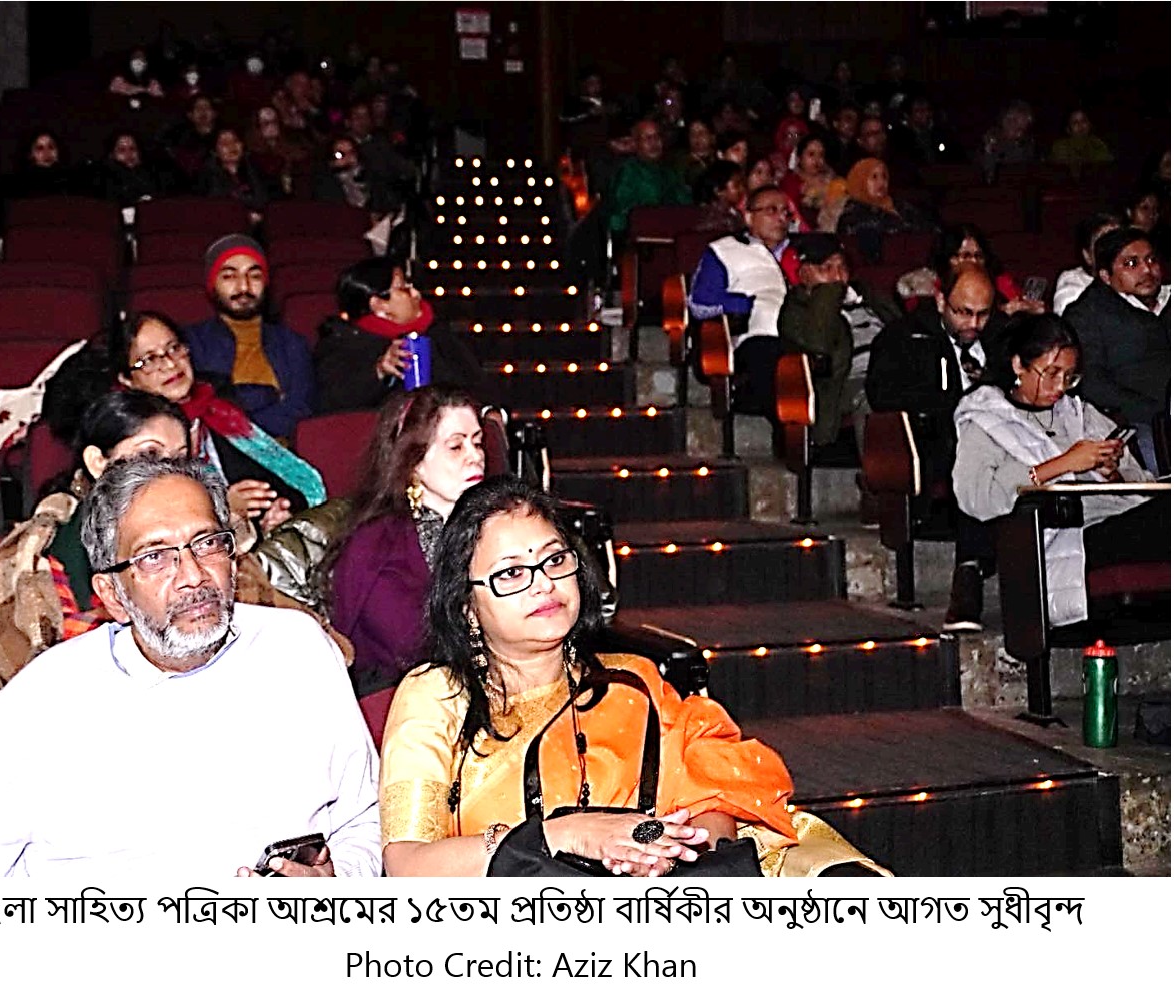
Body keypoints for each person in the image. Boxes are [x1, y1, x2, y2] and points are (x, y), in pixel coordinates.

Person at [380, 475, 889, 877]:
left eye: (555, 560)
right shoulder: (437, 695)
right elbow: (407, 865)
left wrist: (675, 854)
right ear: (467, 607)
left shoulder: (632, 680)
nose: (543, 584)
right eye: (512, 572)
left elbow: (715, 799)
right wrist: (567, 835)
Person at [0, 456, 380, 879]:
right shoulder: (40, 704)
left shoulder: (298, 649)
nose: (193, 576)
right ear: (112, 595)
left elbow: (365, 817)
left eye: (207, 544)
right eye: (155, 558)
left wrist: (339, 881)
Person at [0, 390, 190, 694]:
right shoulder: (42, 553)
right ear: (97, 462)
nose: (171, 472)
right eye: (150, 454)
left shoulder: (209, 538)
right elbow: (46, 677)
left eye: (180, 458)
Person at [953, 315, 1167, 627]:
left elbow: (1141, 487)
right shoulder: (985, 421)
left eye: (1069, 377)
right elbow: (976, 498)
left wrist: (1111, 473)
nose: (1060, 387)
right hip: (1066, 538)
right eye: (1051, 374)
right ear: (1018, 365)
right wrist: (1063, 463)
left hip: (1116, 521)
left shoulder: (1080, 413)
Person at [866, 267, 1008, 631]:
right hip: (937, 442)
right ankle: (969, 571)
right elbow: (884, 398)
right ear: (942, 300)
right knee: (974, 463)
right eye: (964, 312)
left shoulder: (1004, 337)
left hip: (1004, 441)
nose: (973, 324)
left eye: (983, 314)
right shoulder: (904, 337)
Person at [325, 387, 485, 698]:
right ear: (413, 461)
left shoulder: (499, 525)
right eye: (456, 446)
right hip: (404, 703)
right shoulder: (376, 545)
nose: (475, 456)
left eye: (477, 442)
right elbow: (413, 649)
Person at [121, 309, 325, 526]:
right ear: (126, 379)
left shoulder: (217, 410)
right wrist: (223, 509)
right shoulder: (132, 440)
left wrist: (279, 511)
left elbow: (282, 482)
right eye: (149, 359)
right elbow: (151, 523)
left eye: (174, 348)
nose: (170, 364)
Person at [185, 234, 317, 440]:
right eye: (229, 277)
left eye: (254, 276)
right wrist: (268, 395)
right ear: (212, 284)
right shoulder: (192, 343)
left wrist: (236, 410)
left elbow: (301, 410)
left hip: (283, 452)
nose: (244, 287)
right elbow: (203, 412)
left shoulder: (292, 343)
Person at [779, 232, 900, 453]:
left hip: (894, 369)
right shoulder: (796, 309)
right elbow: (818, 344)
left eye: (842, 267)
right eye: (826, 268)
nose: (837, 276)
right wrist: (827, 294)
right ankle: (882, 471)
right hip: (845, 382)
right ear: (804, 273)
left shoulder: (869, 295)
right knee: (872, 395)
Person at [314, 257, 483, 413]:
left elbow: (473, 384)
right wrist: (379, 371)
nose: (416, 294)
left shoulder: (437, 332)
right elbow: (332, 402)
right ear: (379, 305)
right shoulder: (343, 342)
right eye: (403, 288)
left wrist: (486, 410)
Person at [1061, 227, 1170, 464]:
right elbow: (1092, 383)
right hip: (1138, 422)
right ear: (1105, 275)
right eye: (1131, 264)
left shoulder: (1168, 299)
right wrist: (1158, 411)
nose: (1147, 270)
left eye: (1151, 260)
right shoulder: (1087, 314)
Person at [688, 185, 798, 417]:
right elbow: (700, 304)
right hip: (754, 338)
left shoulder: (803, 252)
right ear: (748, 217)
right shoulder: (726, 250)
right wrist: (746, 305)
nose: (781, 218)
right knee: (770, 356)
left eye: (786, 212)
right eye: (771, 210)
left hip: (802, 333)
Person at [900, 224, 1042, 315]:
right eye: (966, 255)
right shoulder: (928, 289)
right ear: (948, 258)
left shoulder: (1000, 282)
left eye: (978, 256)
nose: (974, 262)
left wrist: (1030, 311)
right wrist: (1002, 314)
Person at [606, 117, 691, 237]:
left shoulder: (669, 170)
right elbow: (619, 217)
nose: (654, 143)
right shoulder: (627, 173)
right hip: (643, 238)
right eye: (647, 138)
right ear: (635, 143)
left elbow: (685, 202)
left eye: (657, 137)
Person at [830, 157, 931, 241]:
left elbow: (927, 228)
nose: (881, 182)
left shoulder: (900, 205)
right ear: (860, 181)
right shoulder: (852, 216)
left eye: (884, 177)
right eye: (874, 177)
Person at [195, 126, 270, 221]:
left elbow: (263, 198)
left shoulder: (253, 167)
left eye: (235, 141)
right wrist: (245, 213)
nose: (232, 146)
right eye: (224, 143)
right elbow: (219, 200)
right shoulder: (208, 174)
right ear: (215, 152)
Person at [1053, 212, 1122, 314]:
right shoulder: (1073, 288)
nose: (1114, 250)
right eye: (1104, 244)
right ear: (1088, 256)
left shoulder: (1137, 277)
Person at [780, 133, 838, 229]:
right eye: (811, 154)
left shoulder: (832, 181)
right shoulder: (790, 182)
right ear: (799, 158)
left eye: (821, 155)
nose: (817, 160)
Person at [2, 129, 77, 200]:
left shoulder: (69, 181)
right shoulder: (20, 184)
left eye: (51, 147)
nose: (47, 153)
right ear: (30, 154)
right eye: (40, 148)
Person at [96, 129, 161, 207]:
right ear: (111, 155)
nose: (129, 154)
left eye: (132, 149)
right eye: (122, 150)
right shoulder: (105, 179)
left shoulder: (152, 173)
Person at [164, 93, 220, 182]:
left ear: (214, 113)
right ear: (190, 115)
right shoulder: (182, 140)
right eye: (198, 108)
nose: (202, 111)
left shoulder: (224, 136)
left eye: (206, 107)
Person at [980, 100, 1036, 179]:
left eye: (1022, 130)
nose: (1019, 134)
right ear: (1005, 121)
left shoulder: (1026, 144)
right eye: (1016, 128)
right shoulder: (989, 139)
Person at [692, 159, 745, 235]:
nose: (742, 189)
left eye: (742, 184)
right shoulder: (714, 218)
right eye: (736, 185)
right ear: (719, 191)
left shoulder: (734, 213)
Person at [1048, 109, 1114, 168]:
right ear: (1068, 129)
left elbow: (1106, 161)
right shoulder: (1060, 146)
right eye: (1075, 123)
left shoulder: (1097, 143)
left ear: (1089, 125)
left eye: (1083, 121)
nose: (1080, 125)